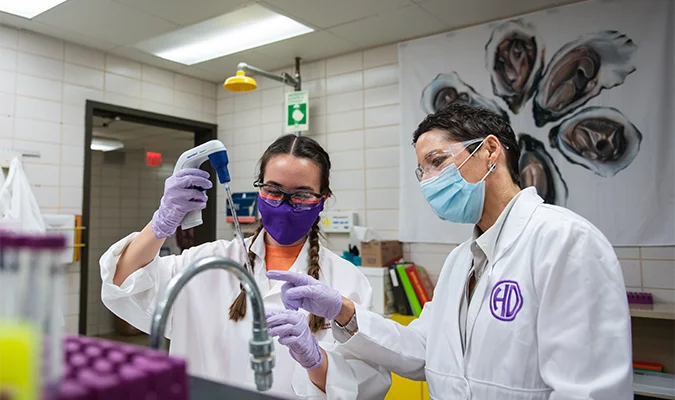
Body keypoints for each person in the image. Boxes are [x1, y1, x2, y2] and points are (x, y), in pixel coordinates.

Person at [267, 104, 633, 399]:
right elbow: (422, 351)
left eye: (437, 162)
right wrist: (344, 311)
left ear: (490, 150)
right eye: (421, 171)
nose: (427, 181)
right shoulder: (462, 261)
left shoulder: (564, 242)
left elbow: (588, 391)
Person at [100, 134, 390, 399]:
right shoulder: (206, 262)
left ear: (322, 200)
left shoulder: (346, 280)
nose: (285, 204)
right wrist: (161, 223)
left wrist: (316, 360)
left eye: (301, 195)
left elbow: (366, 384)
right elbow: (123, 284)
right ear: (259, 191)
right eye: (273, 191)